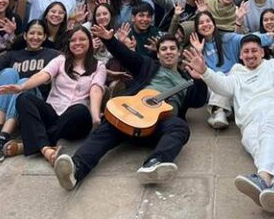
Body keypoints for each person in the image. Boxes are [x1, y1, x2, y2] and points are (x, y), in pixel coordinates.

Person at [182, 4, 274, 215]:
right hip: (253, 124)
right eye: (246, 52)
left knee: (268, 124)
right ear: (240, 56)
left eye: (254, 50)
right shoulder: (236, 75)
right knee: (252, 140)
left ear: (262, 52)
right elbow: (221, 86)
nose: (250, 54)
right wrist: (205, 71)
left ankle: (262, 178)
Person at [53, 31, 208, 190]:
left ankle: (153, 165)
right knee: (108, 125)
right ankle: (76, 169)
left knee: (180, 127)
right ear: (158, 54)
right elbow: (126, 56)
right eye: (163, 49)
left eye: (172, 48)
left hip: (157, 125)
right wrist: (110, 40)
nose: (168, 52)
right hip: (129, 118)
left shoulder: (186, 81)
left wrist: (198, 79)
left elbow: (199, 100)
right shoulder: (147, 65)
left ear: (179, 52)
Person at [0, 27, 106, 165]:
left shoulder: (99, 66)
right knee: (23, 98)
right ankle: (45, 148)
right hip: (53, 111)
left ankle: (29, 144)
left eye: (82, 39)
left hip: (76, 119)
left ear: (90, 42)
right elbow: (44, 74)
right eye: (73, 40)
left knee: (80, 109)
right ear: (68, 43)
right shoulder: (60, 60)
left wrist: (95, 118)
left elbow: (96, 90)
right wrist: (22, 87)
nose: (77, 43)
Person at [0, 20, 61, 164]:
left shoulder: (53, 55)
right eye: (32, 33)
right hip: (4, 108)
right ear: (25, 35)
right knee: (8, 72)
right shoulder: (13, 55)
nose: (35, 37)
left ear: (45, 37)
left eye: (40, 34)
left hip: (31, 108)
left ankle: (3, 136)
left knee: (24, 82)